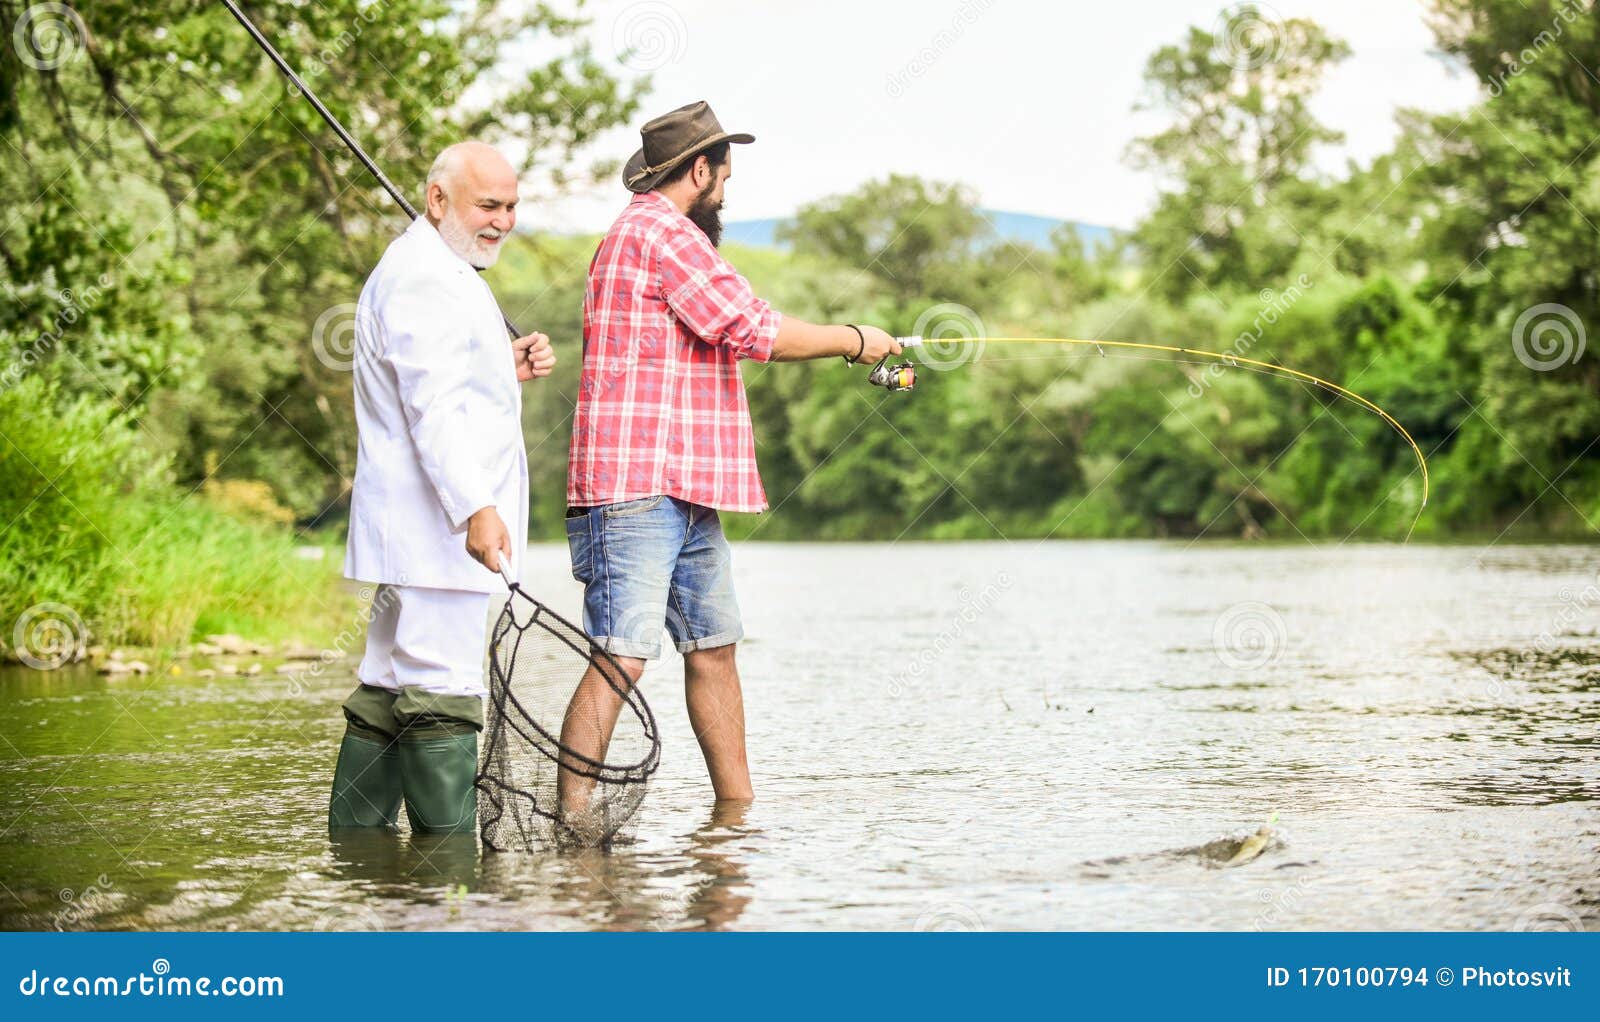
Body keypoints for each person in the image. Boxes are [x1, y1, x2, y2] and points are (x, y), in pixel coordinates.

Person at [560, 101, 900, 811]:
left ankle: (735, 816)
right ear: (698, 169)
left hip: (682, 488)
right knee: (621, 653)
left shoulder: (643, 234)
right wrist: (856, 339)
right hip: (636, 488)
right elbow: (754, 329)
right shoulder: (664, 233)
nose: (725, 190)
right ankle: (571, 821)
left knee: (713, 646)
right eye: (723, 175)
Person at [330, 141, 556, 833]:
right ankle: (450, 880)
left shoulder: (433, 267)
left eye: (512, 206)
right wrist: (478, 510)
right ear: (437, 201)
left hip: (419, 535)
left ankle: (360, 861)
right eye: (488, 205)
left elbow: (437, 379)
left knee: (388, 680)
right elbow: (432, 408)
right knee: (442, 687)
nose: (503, 220)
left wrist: (501, 361)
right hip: (437, 535)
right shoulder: (426, 277)